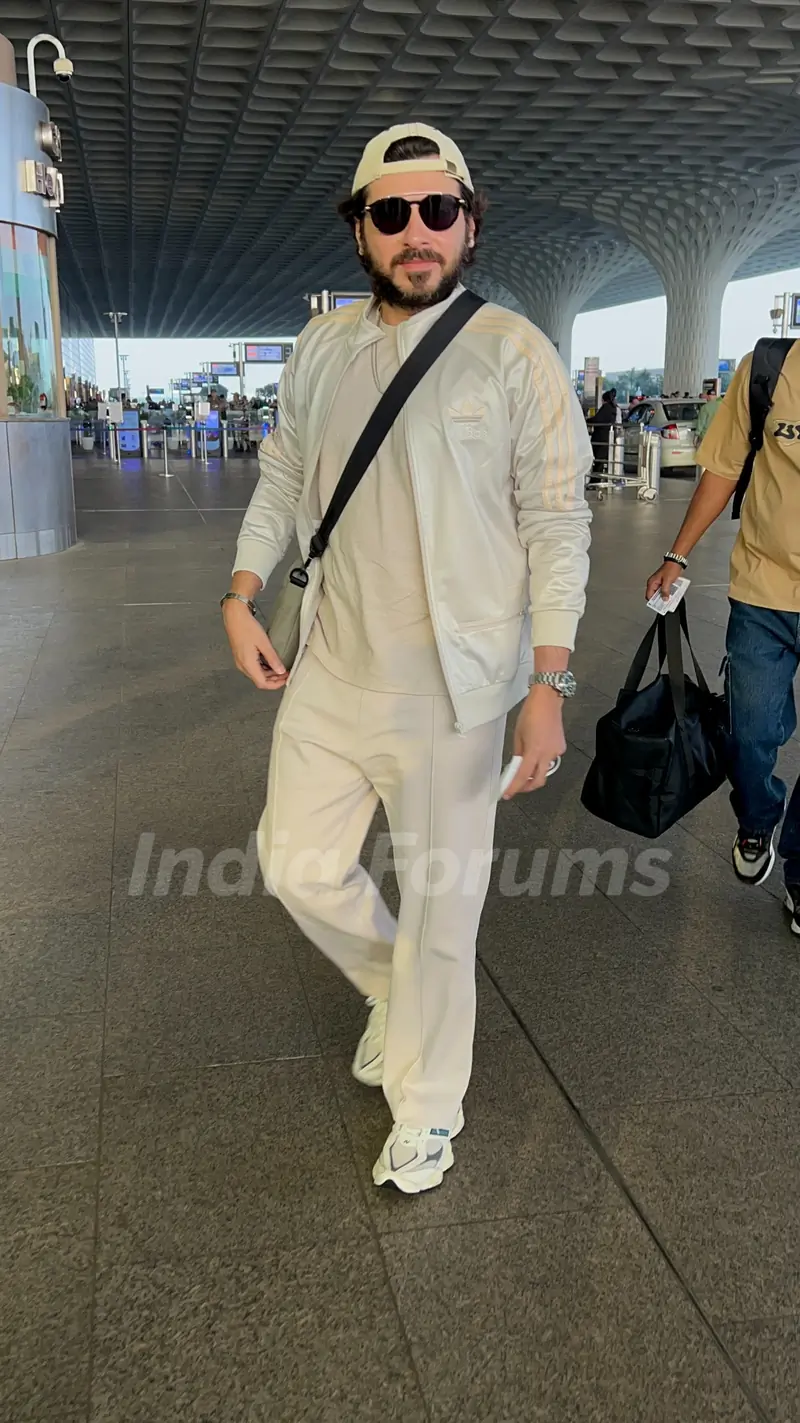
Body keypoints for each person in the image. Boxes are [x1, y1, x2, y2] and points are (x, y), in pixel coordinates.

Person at [222, 122, 593, 1193]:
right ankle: (390, 990)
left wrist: (547, 682)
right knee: (293, 859)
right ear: (361, 231)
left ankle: (427, 1107)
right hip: (332, 672)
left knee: (441, 907)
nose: (416, 232)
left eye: (438, 211)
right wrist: (240, 593)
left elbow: (556, 526)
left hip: (458, 696)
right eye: (392, 214)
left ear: (470, 223)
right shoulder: (321, 349)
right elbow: (285, 481)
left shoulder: (515, 354)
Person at [646, 345, 800, 935]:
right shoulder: (768, 368)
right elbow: (725, 468)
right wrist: (676, 554)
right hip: (763, 591)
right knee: (750, 730)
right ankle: (757, 816)